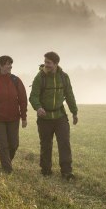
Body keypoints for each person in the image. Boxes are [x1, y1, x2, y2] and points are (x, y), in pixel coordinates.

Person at [29, 51, 78, 180]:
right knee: (46, 144)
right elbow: (33, 96)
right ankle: (46, 170)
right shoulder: (40, 77)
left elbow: (69, 95)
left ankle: (67, 171)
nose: (46, 65)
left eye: (49, 63)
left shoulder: (64, 77)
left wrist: (74, 112)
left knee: (64, 143)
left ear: (56, 64)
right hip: (44, 118)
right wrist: (38, 107)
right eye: (45, 62)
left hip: (60, 116)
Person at [0, 55, 28, 174]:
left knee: (14, 144)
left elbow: (23, 99)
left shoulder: (16, 80)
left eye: (11, 63)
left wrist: (24, 117)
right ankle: (7, 170)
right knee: (3, 145)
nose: (10, 66)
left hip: (13, 118)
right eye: (8, 64)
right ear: (1, 66)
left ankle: (6, 162)